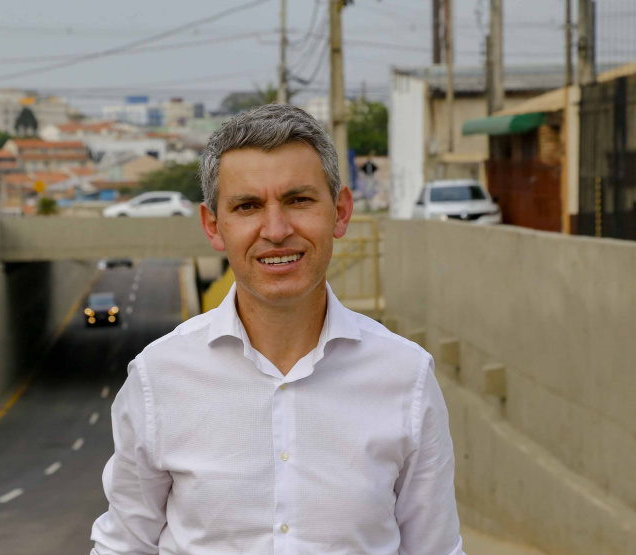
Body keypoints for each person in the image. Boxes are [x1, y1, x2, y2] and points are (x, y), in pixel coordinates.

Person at [91, 104, 464, 555]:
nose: (276, 229)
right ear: (213, 226)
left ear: (341, 212)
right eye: (247, 206)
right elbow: (122, 546)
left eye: (298, 200)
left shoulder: (407, 377)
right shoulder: (158, 377)